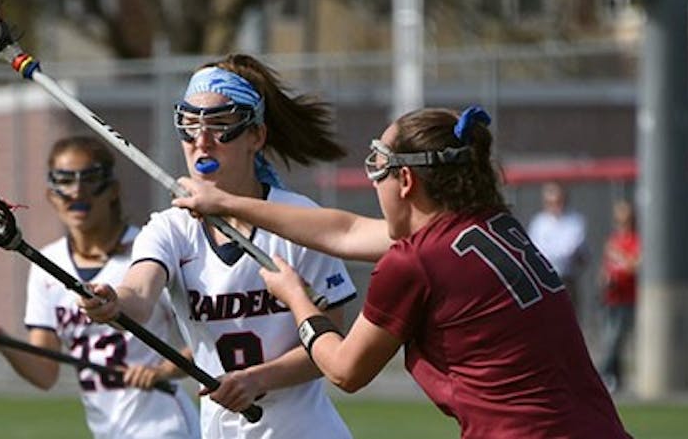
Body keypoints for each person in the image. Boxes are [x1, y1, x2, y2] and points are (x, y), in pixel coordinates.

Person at [175, 106, 631, 438]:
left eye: (378, 170)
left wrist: (296, 299)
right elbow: (344, 231)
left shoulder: (414, 262)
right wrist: (227, 203)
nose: (375, 185)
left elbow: (345, 371)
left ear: (406, 181)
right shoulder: (493, 225)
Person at [80, 54, 362, 439]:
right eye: (190, 125)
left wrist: (259, 379)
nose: (202, 141)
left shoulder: (299, 219)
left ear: (255, 136)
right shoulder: (170, 229)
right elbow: (138, 296)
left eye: (220, 125)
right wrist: (112, 301)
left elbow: (332, 345)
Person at [0, 135, 199, 439]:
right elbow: (45, 372)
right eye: (64, 180)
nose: (76, 192)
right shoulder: (47, 264)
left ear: (113, 189)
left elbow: (211, 340)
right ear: (51, 195)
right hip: (106, 429)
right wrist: (4, 345)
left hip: (164, 426)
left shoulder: (149, 251)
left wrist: (164, 371)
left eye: (89, 179)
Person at [597, 199, 639, 394]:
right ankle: (615, 378)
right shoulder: (613, 240)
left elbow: (634, 265)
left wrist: (619, 256)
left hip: (627, 298)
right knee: (609, 338)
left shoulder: (635, 240)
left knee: (615, 339)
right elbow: (606, 266)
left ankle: (605, 374)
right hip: (611, 297)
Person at [528, 181, 588, 303]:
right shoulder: (539, 223)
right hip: (544, 280)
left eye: (558, 201)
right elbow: (536, 249)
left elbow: (569, 250)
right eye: (550, 202)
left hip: (566, 279)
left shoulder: (575, 221)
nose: (555, 206)